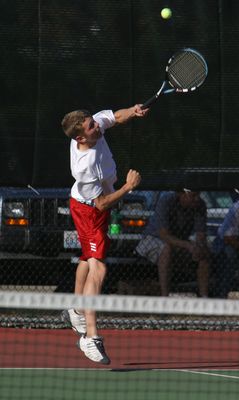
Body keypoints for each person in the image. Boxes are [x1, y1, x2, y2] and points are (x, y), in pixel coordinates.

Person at [61, 105, 148, 364]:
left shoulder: (94, 127)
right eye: (91, 127)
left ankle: (76, 310)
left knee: (89, 259)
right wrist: (128, 188)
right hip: (90, 210)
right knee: (98, 268)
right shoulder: (85, 167)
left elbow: (114, 118)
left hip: (88, 206)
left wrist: (133, 111)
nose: (96, 126)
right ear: (80, 138)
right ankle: (90, 336)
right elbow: (101, 204)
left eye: (93, 122)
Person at [136, 190, 210, 297]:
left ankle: (204, 298)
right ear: (182, 193)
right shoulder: (167, 201)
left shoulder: (200, 205)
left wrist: (198, 246)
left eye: (198, 195)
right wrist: (188, 245)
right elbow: (163, 235)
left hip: (179, 243)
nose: (196, 199)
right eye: (193, 195)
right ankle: (165, 298)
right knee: (167, 249)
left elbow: (201, 235)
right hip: (152, 239)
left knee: (204, 253)